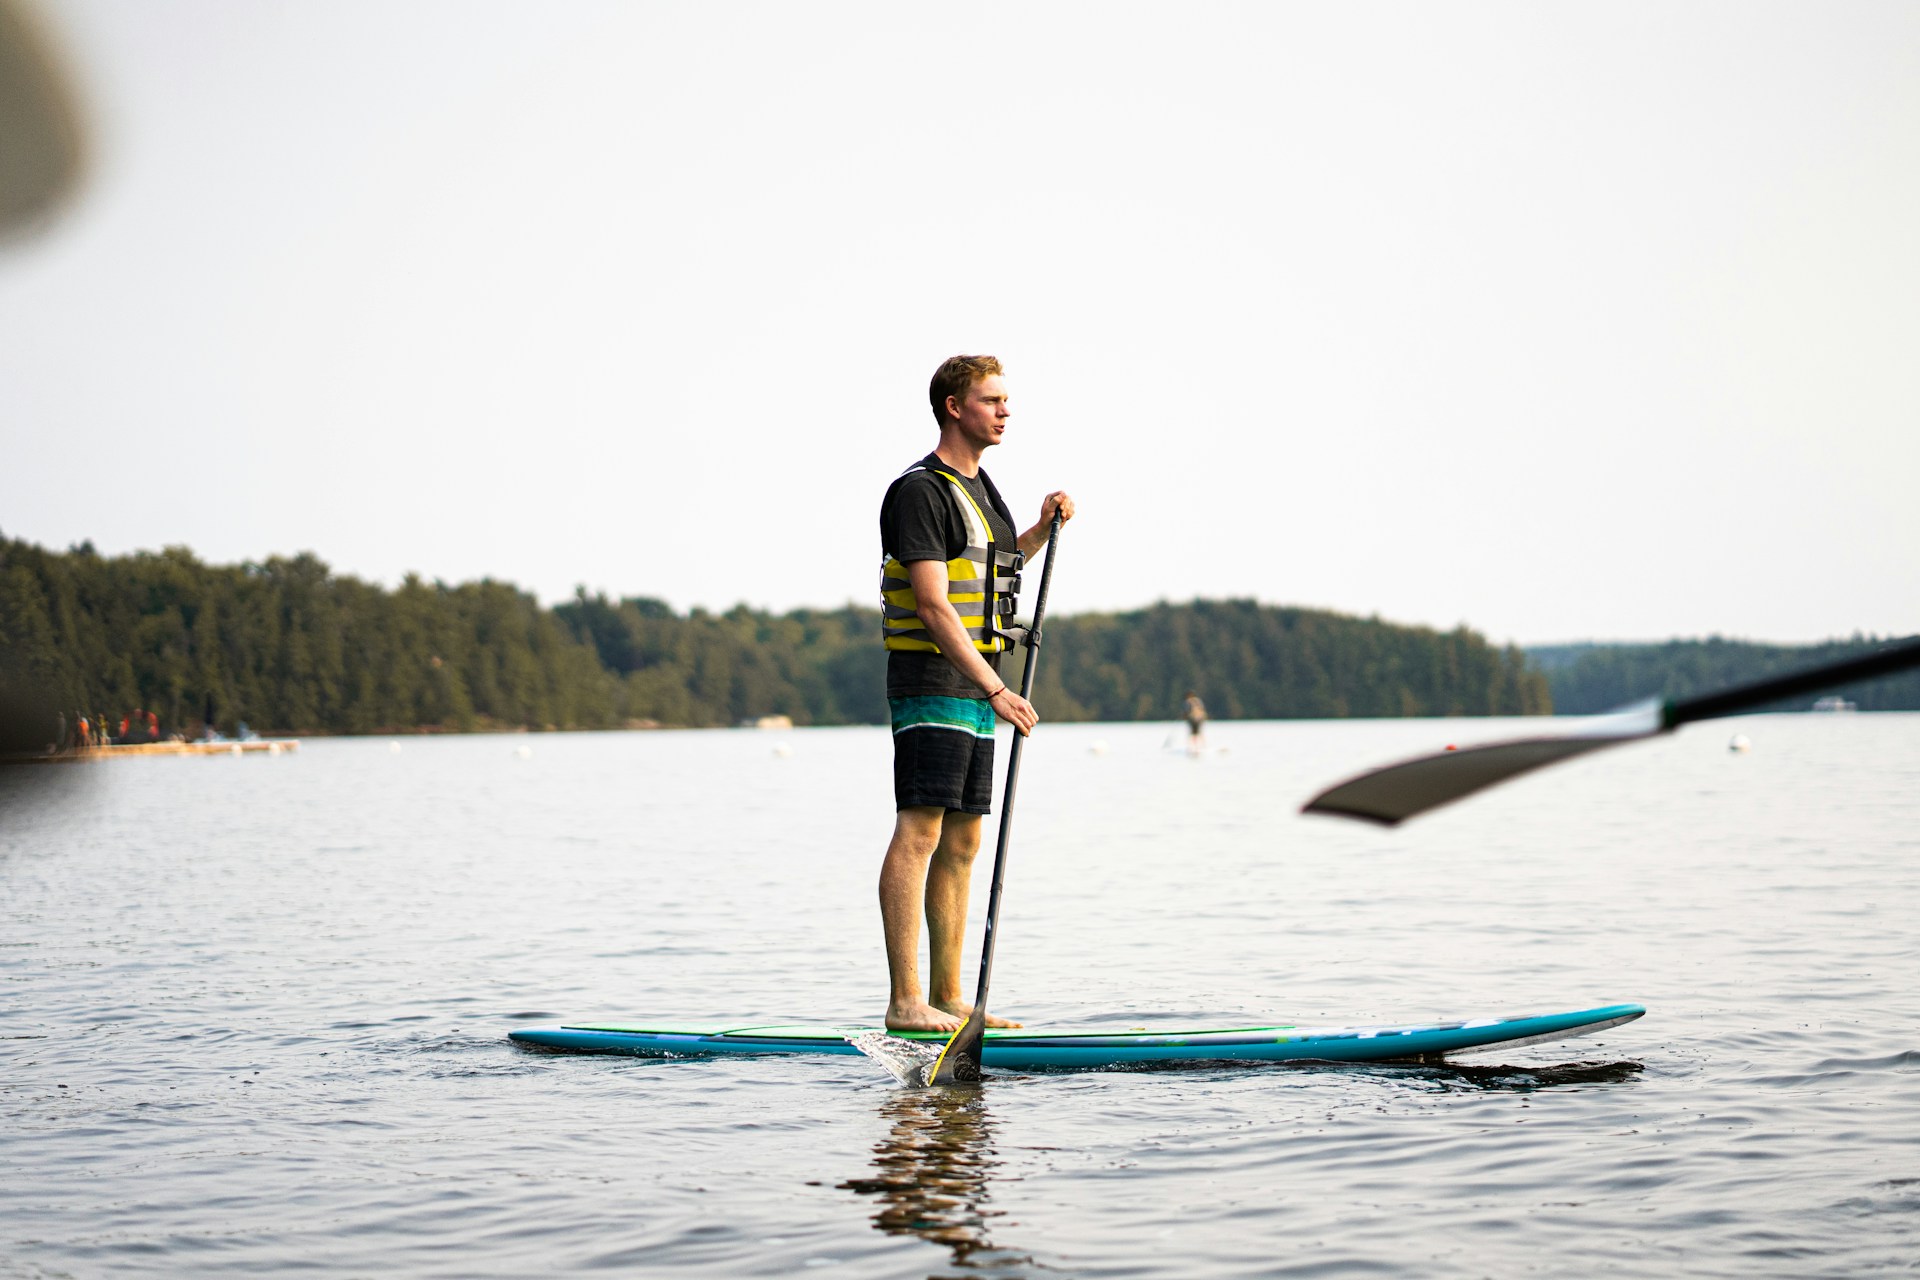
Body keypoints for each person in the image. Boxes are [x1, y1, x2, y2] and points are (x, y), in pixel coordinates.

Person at [877, 354, 1075, 1033]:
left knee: (962, 842)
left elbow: (997, 568)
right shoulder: (920, 491)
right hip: (934, 680)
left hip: (974, 684)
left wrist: (1044, 529)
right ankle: (906, 1000)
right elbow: (933, 605)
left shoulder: (985, 491)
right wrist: (997, 688)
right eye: (992, 399)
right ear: (955, 406)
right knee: (921, 831)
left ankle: (950, 997)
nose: (1005, 410)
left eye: (1006, 400)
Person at [1183, 690, 1208, 754]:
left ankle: (1195, 747)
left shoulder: (1188, 701)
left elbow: (1187, 711)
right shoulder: (1198, 700)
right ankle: (1203, 746)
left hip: (1193, 718)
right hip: (1201, 717)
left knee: (1193, 733)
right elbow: (1202, 708)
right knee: (1199, 732)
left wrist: (1184, 716)